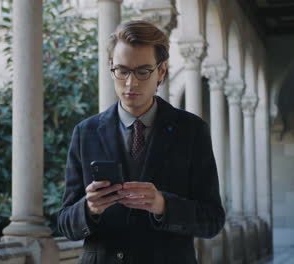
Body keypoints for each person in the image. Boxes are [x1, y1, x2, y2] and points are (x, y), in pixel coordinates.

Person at [57, 20, 225, 264]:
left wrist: (163, 205)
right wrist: (89, 208)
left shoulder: (192, 131)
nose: (130, 83)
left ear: (162, 72)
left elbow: (212, 221)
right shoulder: (85, 132)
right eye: (122, 70)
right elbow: (64, 223)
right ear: (111, 67)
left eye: (142, 72)